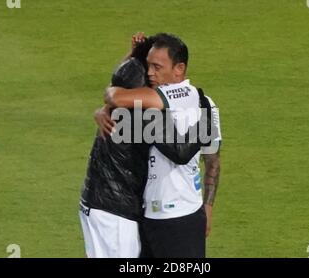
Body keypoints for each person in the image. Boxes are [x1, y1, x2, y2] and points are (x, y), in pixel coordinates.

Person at [79, 34, 211, 258]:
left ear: (179, 68)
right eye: (148, 66)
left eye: (157, 67)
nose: (151, 73)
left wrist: (106, 105)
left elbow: (116, 92)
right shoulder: (152, 102)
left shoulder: (173, 96)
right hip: (117, 208)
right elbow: (180, 152)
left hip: (117, 205)